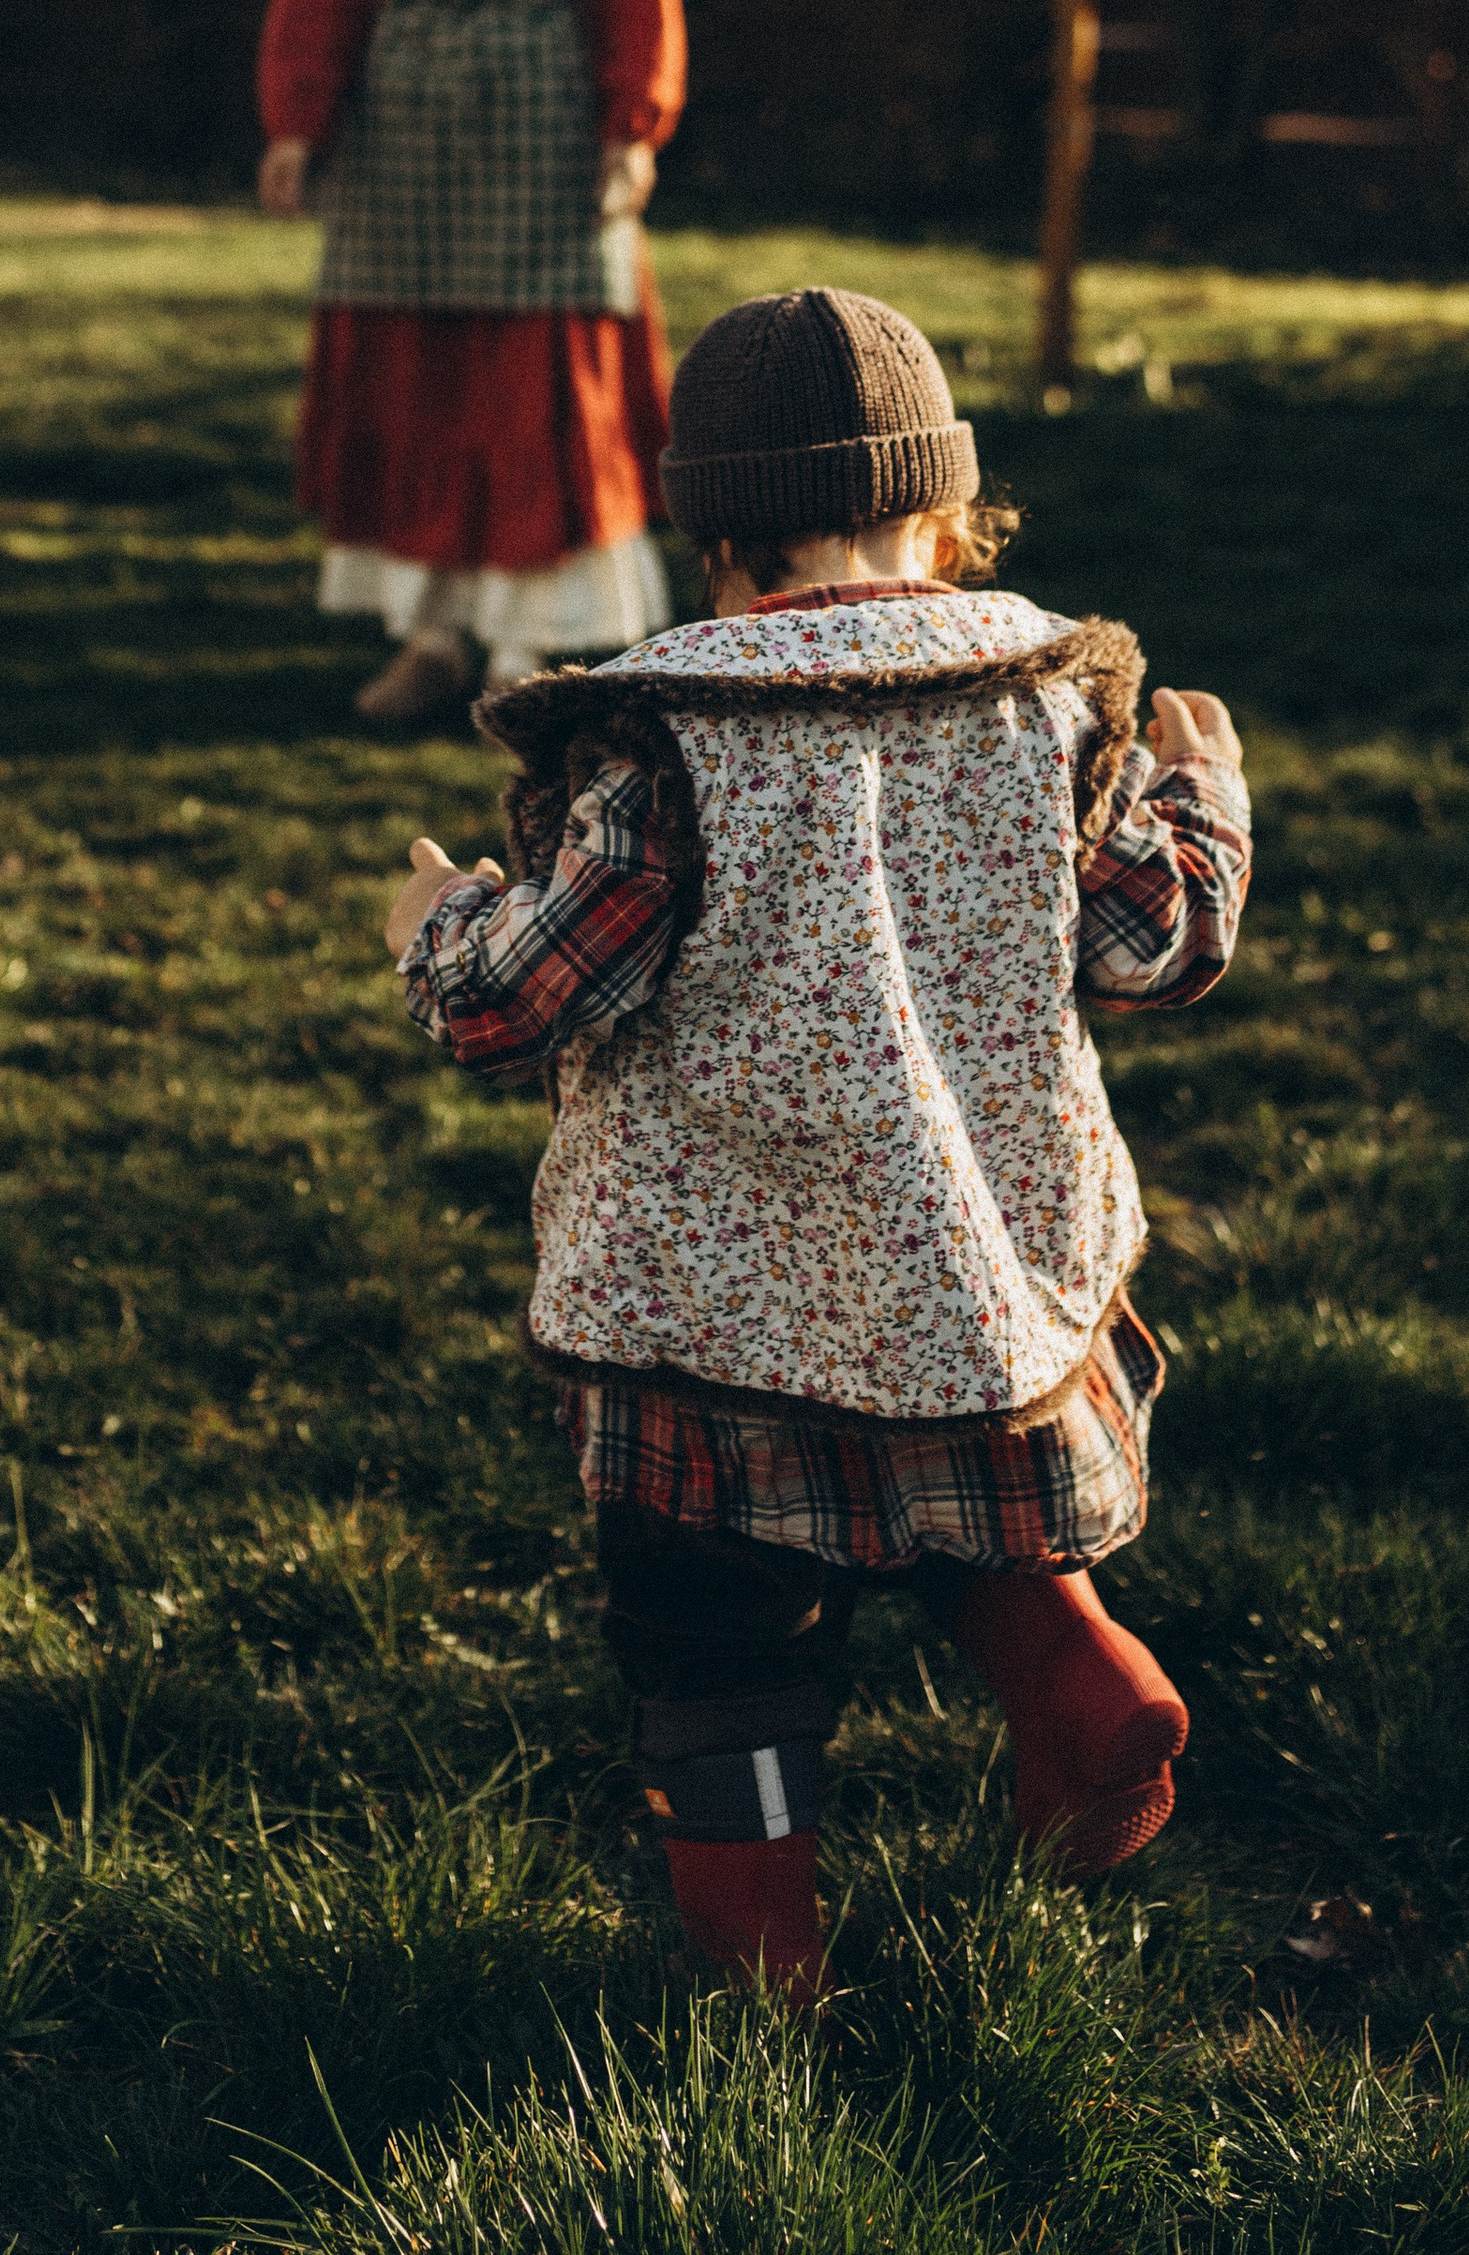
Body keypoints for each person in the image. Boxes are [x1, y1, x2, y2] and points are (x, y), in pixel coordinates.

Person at [383, 287, 1253, 2000]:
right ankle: (1085, 1688)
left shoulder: (663, 740)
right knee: (959, 1506)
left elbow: (515, 1007)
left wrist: (444, 919)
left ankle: (767, 1959)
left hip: (702, 1324)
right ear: (942, 512)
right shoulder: (1046, 709)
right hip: (961, 1273)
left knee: (717, 1649)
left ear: (717, 533)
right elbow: (1161, 946)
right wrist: (1202, 796)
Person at [256, 0, 687, 726]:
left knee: (530, 374)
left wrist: (632, 119)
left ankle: (527, 650)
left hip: (541, 99)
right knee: (418, 377)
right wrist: (298, 118)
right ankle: (434, 633)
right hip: (402, 113)